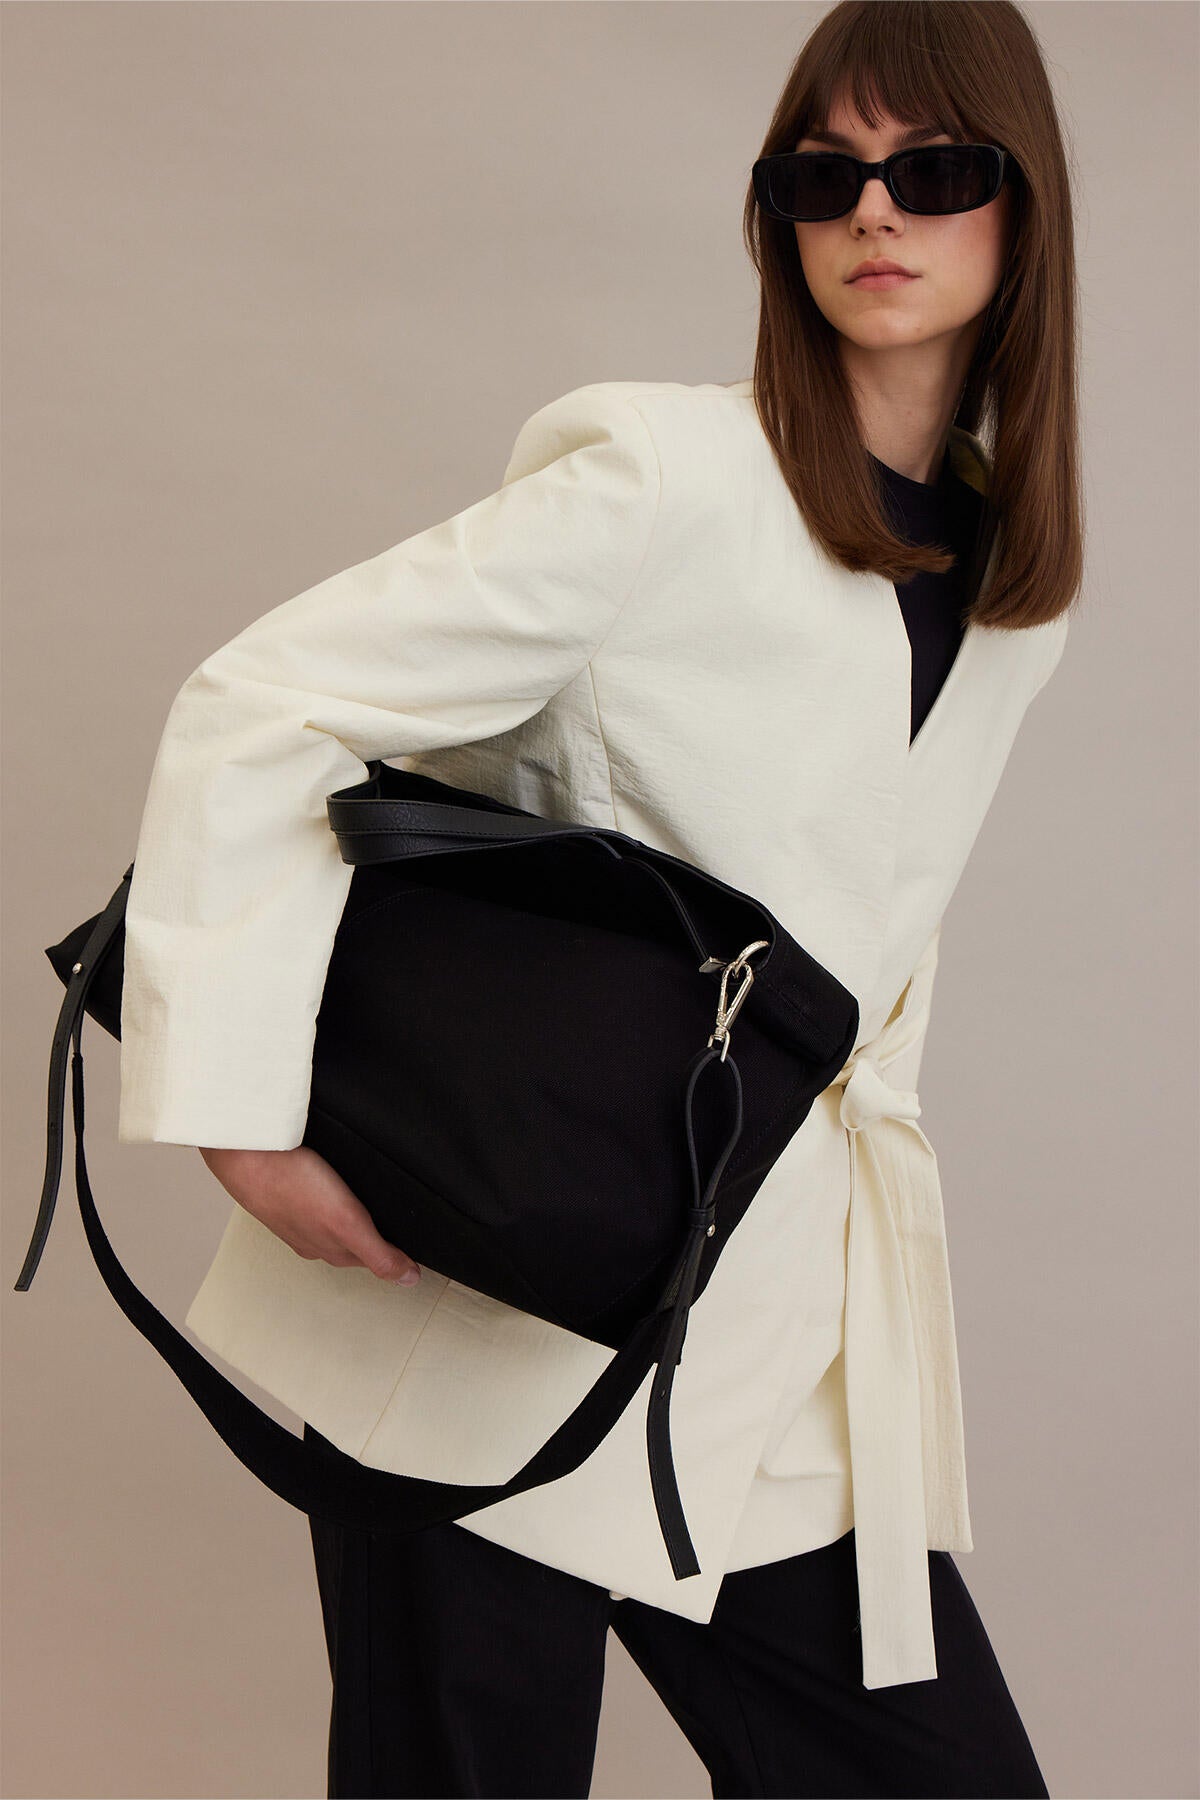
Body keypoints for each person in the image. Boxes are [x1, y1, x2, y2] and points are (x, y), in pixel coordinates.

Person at [116, 1, 1082, 1793]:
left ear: (1024, 209)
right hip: (485, 1307)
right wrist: (240, 1116)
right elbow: (265, 704)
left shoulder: (1015, 590)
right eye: (825, 176)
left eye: (936, 170)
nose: (876, 212)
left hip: (769, 1338)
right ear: (777, 219)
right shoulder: (664, 480)